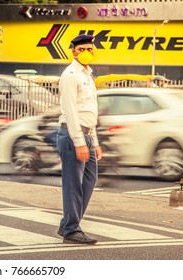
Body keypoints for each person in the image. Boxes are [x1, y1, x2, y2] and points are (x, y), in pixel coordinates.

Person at [56, 34, 102, 245]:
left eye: (90, 49)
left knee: (90, 180)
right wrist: (79, 142)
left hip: (87, 135)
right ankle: (72, 229)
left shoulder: (88, 75)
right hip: (73, 136)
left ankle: (68, 223)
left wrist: (95, 141)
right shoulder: (70, 75)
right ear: (73, 51)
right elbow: (71, 111)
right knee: (73, 184)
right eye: (82, 49)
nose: (87, 53)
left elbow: (90, 111)